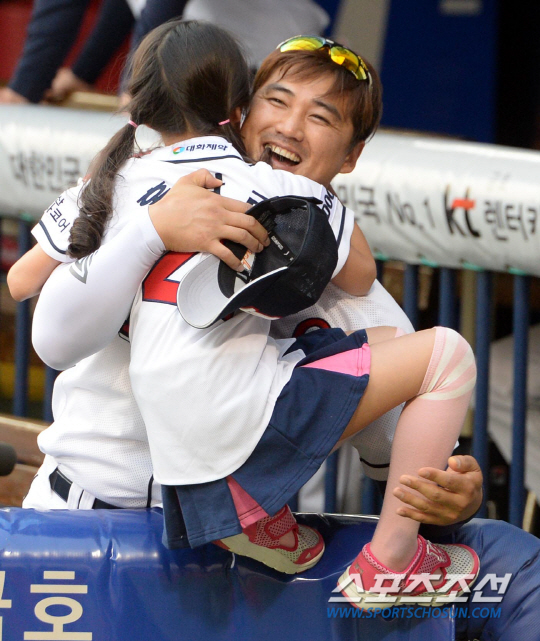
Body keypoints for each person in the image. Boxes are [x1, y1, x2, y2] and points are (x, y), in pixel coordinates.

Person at [59, 19, 481, 608]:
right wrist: (148, 231)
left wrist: (454, 496)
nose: (289, 126)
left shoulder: (358, 295)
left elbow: (409, 456)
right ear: (238, 113)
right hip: (88, 517)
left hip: (236, 563)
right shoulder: (153, 190)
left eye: (321, 116)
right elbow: (50, 333)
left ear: (352, 155)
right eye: (276, 101)